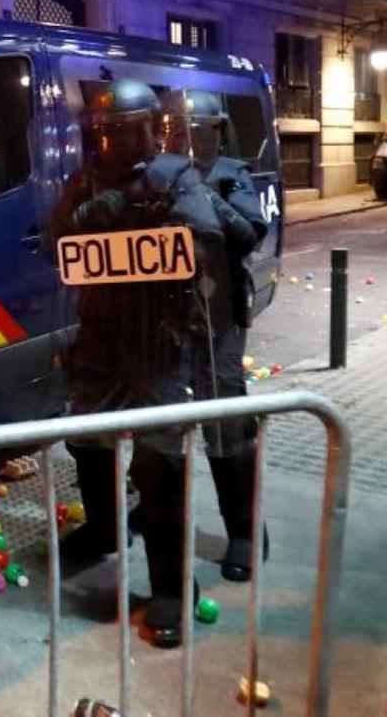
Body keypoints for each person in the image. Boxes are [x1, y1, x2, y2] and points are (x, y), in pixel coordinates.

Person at [54, 79, 222, 648]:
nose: (115, 143)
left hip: (158, 344)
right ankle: (103, 528)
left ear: (150, 129)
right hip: (101, 339)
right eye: (106, 134)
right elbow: (57, 234)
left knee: (159, 467)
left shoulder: (176, 176)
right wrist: (91, 212)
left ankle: (172, 587)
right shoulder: (86, 180)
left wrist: (136, 216)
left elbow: (206, 241)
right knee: (87, 444)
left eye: (125, 132)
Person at [161, 89, 270, 581]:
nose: (180, 139)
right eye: (173, 131)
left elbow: (250, 234)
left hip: (219, 317)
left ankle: (244, 532)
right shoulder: (159, 173)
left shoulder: (229, 173)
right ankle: (155, 512)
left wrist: (202, 198)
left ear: (213, 130)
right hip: (167, 319)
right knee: (162, 428)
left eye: (189, 130)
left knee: (225, 422)